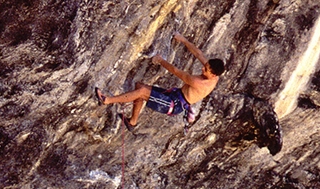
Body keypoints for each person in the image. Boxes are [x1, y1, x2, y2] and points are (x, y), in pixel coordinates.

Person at [94, 33, 225, 132]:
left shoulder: (198, 82)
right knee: (140, 86)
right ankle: (132, 122)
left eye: (206, 69)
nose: (203, 68)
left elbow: (176, 71)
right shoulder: (213, 74)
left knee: (142, 92)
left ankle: (107, 100)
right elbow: (198, 53)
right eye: (205, 66)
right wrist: (183, 40)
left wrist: (160, 60)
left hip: (174, 104)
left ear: (212, 74)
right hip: (175, 95)